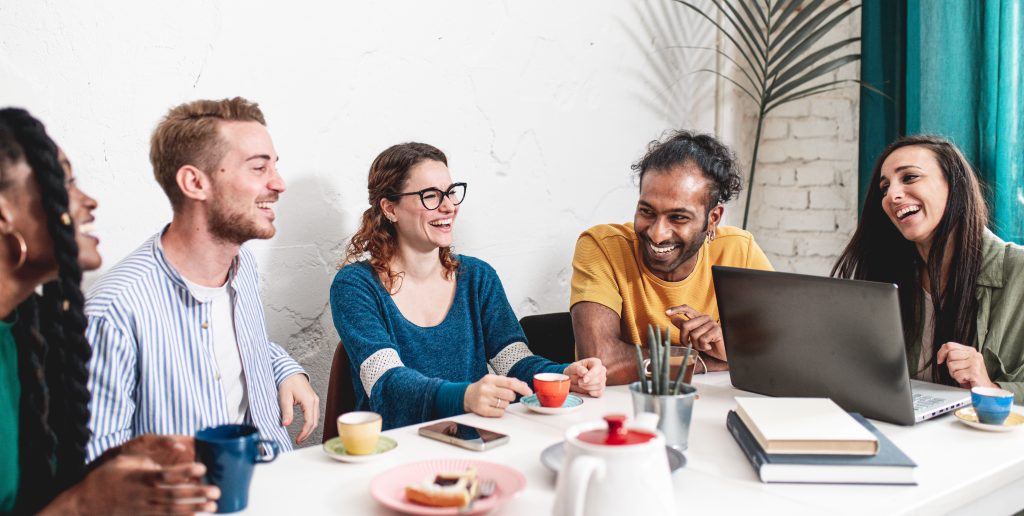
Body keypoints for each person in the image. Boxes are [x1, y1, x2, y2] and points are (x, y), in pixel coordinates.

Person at [0, 108, 218, 514]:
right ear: (4, 215)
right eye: (63, 182)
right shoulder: (117, 302)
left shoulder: (31, 334)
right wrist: (84, 505)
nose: (88, 201)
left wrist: (118, 463)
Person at [85, 98, 319, 462]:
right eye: (259, 168)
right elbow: (99, 467)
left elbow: (232, 344)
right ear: (195, 182)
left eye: (275, 166)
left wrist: (285, 369)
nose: (279, 183)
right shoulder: (114, 310)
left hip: (277, 480)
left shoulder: (241, 267)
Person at [330, 142, 607, 429]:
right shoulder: (355, 286)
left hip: (474, 440)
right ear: (390, 209)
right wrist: (465, 396)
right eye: (430, 196)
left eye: (450, 193)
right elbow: (387, 384)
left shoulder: (477, 278)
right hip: (398, 449)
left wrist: (565, 375)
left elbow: (516, 364)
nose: (449, 206)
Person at [571, 130, 773, 385]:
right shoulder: (603, 247)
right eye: (647, 211)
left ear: (713, 219)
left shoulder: (739, 251)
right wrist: (700, 360)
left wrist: (728, 346)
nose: (657, 234)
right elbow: (602, 361)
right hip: (619, 411)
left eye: (678, 217)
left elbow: (777, 354)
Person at [833, 135, 1024, 401]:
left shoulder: (1019, 270)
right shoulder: (889, 277)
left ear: (955, 185)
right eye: (884, 187)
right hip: (901, 433)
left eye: (909, 177)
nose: (892, 195)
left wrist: (989, 388)